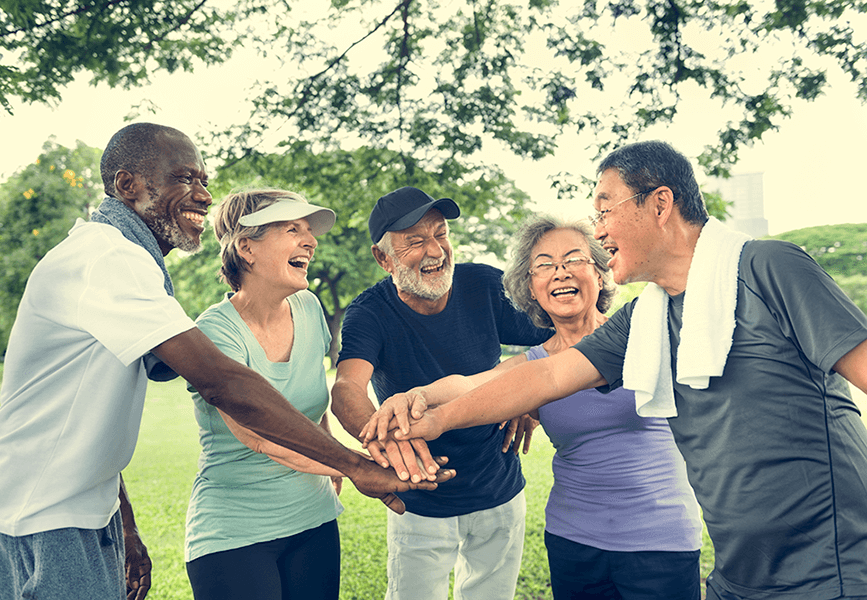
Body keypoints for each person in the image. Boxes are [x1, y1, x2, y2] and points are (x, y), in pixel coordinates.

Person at [0, 123, 451, 600]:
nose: (202, 194)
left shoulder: (135, 266)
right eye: (183, 178)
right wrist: (354, 466)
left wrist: (123, 523)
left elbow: (89, 415)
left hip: (86, 512)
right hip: (33, 517)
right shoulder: (105, 257)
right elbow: (223, 383)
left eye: (203, 180)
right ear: (126, 185)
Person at [371, 141, 867, 600]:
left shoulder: (768, 267)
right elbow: (542, 377)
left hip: (830, 568)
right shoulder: (647, 318)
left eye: (605, 211)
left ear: (659, 203)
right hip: (737, 575)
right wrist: (429, 414)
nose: (600, 231)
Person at [365, 215, 703, 599]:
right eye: (544, 265)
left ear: (600, 271)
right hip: (573, 540)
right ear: (531, 287)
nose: (559, 273)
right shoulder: (534, 363)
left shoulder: (643, 333)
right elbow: (471, 384)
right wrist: (415, 396)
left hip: (659, 542)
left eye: (573, 260)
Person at [331, 186, 551, 600]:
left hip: (499, 490)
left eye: (441, 233)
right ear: (383, 258)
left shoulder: (485, 285)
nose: (435, 250)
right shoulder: (369, 312)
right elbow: (346, 389)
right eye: (414, 241)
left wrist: (531, 400)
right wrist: (388, 444)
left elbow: (565, 334)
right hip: (420, 500)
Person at [183, 188, 351, 600]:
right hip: (234, 532)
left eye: (309, 231)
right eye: (292, 229)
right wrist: (353, 465)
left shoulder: (309, 308)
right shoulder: (215, 332)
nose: (310, 241)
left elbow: (310, 408)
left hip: (314, 518)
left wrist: (329, 460)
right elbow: (259, 435)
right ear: (246, 247)